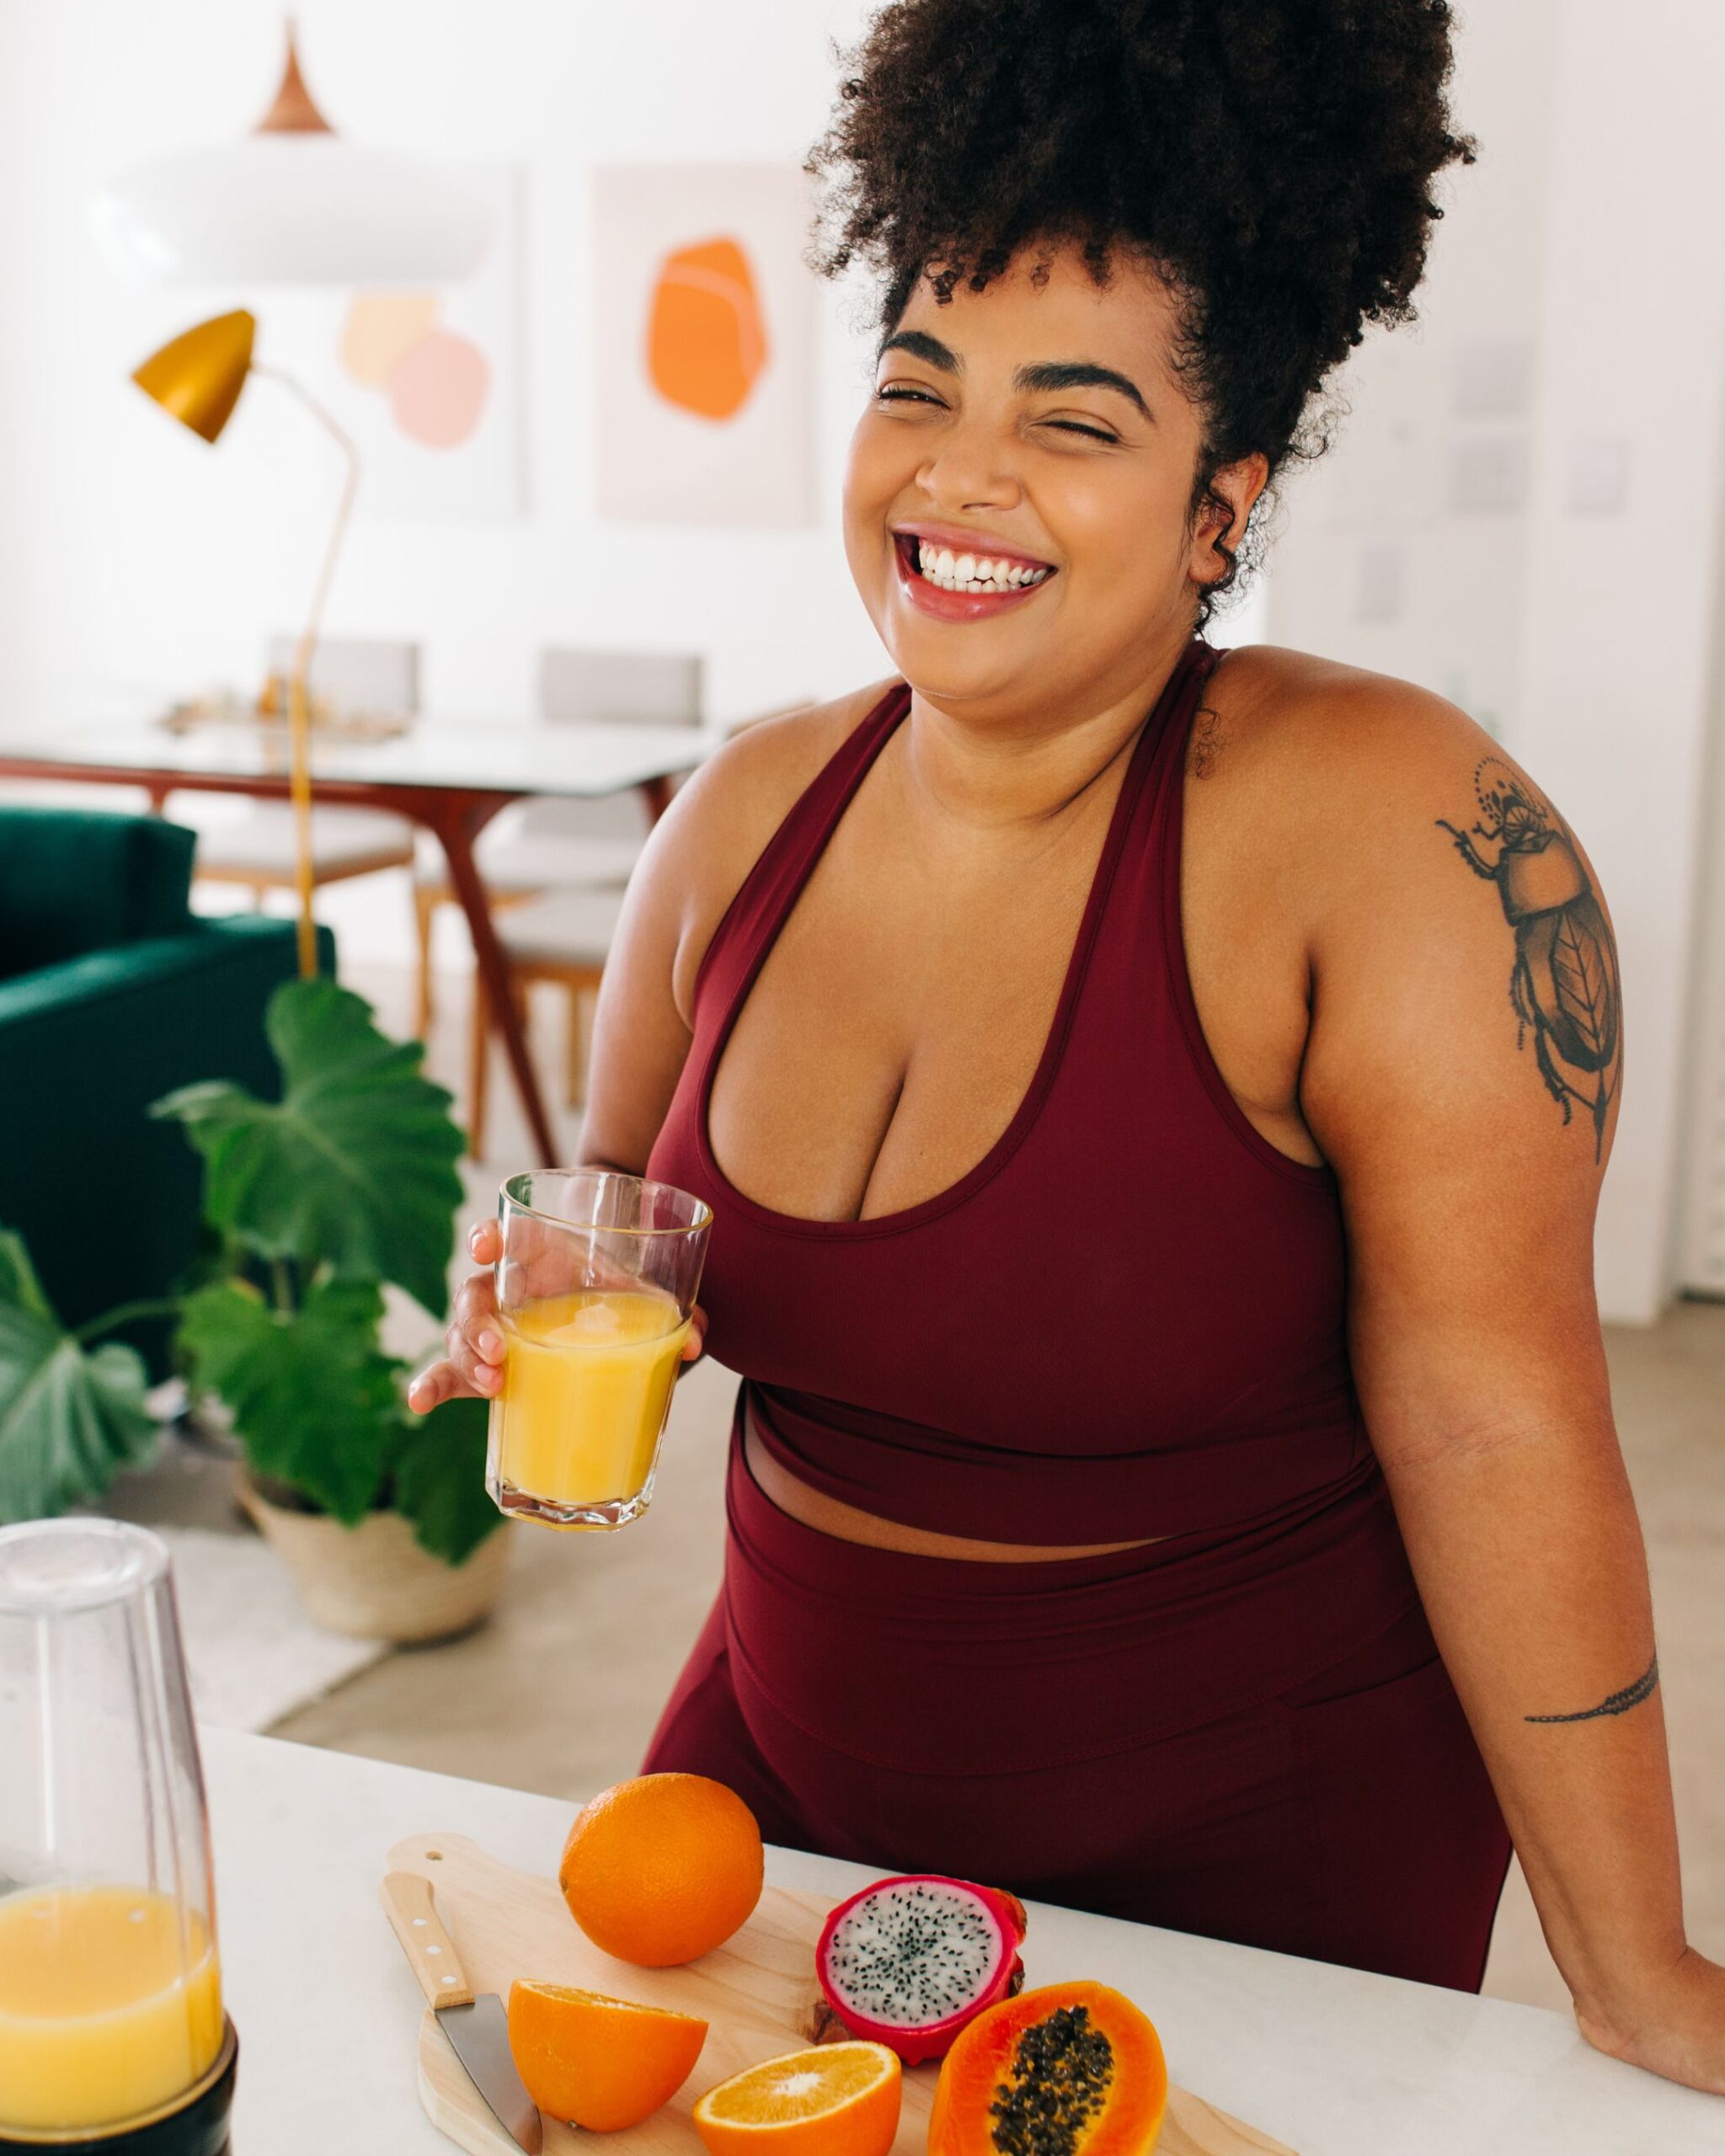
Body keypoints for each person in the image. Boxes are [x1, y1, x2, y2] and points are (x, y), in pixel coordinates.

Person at [410, 0, 1724, 2094]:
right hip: (776, 1767)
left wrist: (1636, 1957)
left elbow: (1502, 1429)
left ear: (1225, 500)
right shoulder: (740, 816)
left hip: (1243, 1830)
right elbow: (624, 1243)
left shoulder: (1390, 834)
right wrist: (539, 1316)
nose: (961, 473)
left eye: (1074, 420)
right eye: (916, 387)